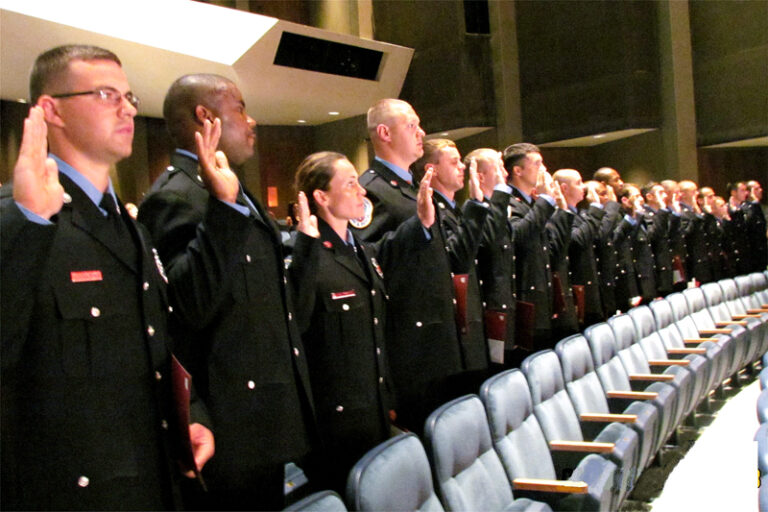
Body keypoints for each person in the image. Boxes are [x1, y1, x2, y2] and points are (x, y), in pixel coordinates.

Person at [1, 44, 213, 510]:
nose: (128, 108)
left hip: (152, 479)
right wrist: (27, 223)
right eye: (105, 94)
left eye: (130, 96)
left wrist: (189, 413)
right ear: (50, 110)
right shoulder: (17, 222)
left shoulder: (130, 228)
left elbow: (154, 340)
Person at [137, 74, 319, 510]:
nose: (251, 121)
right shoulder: (176, 197)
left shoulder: (229, 185)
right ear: (206, 116)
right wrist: (222, 210)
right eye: (240, 108)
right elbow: (184, 309)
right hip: (229, 432)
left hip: (264, 422)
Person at [293, 150, 434, 493]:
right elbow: (294, 317)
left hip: (373, 408)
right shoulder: (306, 254)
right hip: (336, 423)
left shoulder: (360, 249)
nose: (362, 192)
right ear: (321, 197)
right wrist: (305, 248)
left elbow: (390, 249)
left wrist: (422, 222)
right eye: (351, 184)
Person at [350, 98, 464, 433]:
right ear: (384, 133)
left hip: (437, 332)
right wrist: (419, 227)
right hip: (410, 344)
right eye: (412, 125)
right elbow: (367, 259)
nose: (421, 133)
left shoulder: (412, 187)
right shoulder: (371, 191)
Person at [410, 139, 491, 385]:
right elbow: (458, 261)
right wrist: (476, 206)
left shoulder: (454, 209)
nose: (463, 167)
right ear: (431, 170)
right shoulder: (431, 211)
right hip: (453, 332)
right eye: (454, 162)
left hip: (472, 323)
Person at [505, 143, 563, 355]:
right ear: (517, 171)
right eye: (537, 164)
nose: (543, 169)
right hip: (525, 299)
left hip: (543, 297)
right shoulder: (508, 202)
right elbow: (519, 236)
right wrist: (546, 200)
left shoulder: (533, 203)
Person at [465, 148, 517, 365]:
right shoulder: (476, 213)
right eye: (498, 167)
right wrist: (501, 193)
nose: (505, 173)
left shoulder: (500, 209)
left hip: (506, 307)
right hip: (490, 313)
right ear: (480, 176)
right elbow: (488, 239)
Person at [553, 169, 604, 328]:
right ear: (564, 188)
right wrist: (596, 208)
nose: (583, 187)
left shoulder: (580, 213)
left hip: (591, 287)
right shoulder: (559, 215)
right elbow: (577, 240)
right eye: (578, 183)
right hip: (575, 288)